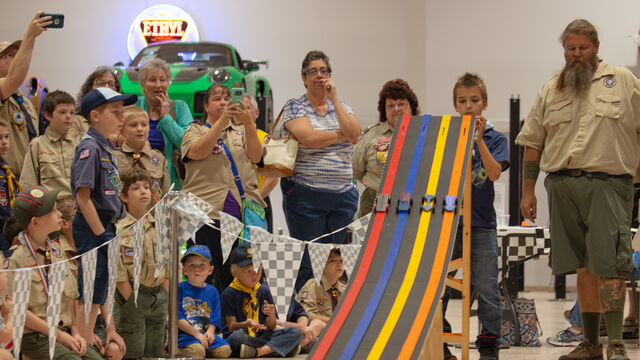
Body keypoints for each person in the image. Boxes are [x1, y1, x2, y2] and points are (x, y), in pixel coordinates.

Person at [516, 19, 639, 360]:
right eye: (570, 48)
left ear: (596, 47)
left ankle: (615, 344)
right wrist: (528, 191)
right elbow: (532, 143)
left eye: (582, 47)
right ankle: (590, 344)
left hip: (608, 186)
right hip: (562, 186)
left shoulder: (624, 82)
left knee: (611, 266)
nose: (576, 54)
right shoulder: (553, 89)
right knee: (583, 267)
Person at [280, 50, 361, 292]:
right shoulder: (295, 106)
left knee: (333, 260)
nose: (319, 75)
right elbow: (310, 138)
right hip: (306, 194)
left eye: (323, 70)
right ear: (303, 77)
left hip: (342, 196)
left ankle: (329, 313)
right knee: (308, 260)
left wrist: (334, 100)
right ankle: (306, 316)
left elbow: (355, 133)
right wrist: (340, 135)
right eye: (313, 71)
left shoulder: (342, 106)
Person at [441, 73, 509, 360]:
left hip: (481, 223)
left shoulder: (495, 138)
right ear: (455, 105)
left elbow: (493, 173)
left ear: (485, 103)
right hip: (447, 222)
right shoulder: (446, 135)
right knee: (440, 284)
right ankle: (440, 338)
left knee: (487, 286)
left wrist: (479, 141)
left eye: (474, 100)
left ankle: (488, 341)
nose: (469, 106)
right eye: (462, 101)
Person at [181, 84, 265, 292]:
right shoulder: (194, 130)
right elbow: (197, 152)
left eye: (228, 98)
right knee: (201, 274)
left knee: (236, 276)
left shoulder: (242, 132)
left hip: (239, 217)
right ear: (206, 106)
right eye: (217, 98)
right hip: (204, 215)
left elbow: (257, 157)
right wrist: (220, 123)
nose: (224, 102)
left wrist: (248, 124)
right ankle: (201, 322)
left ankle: (233, 323)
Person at [70, 87, 137, 343]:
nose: (121, 117)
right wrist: (101, 236)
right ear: (95, 116)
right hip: (91, 225)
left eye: (122, 112)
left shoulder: (105, 148)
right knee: (89, 288)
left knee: (99, 290)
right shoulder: (89, 148)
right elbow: (83, 198)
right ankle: (83, 343)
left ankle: (86, 340)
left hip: (105, 225)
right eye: (115, 112)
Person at [8, 185, 101, 359]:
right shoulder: (18, 259)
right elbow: (19, 312)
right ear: (35, 222)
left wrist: (75, 332)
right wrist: (61, 336)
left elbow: (69, 299)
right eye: (53, 211)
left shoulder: (57, 252)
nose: (59, 214)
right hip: (35, 336)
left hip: (63, 330)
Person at [55, 195, 125, 360]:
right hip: (70, 325)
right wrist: (81, 332)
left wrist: (111, 329)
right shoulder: (58, 255)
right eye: (81, 215)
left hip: (96, 321)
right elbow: (70, 298)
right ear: (64, 223)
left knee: (116, 349)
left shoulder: (96, 247)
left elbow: (102, 293)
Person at [115, 167, 169, 358]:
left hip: (158, 297)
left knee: (156, 352)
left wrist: (165, 294)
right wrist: (131, 299)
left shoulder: (159, 226)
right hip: (133, 296)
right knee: (134, 351)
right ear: (124, 197)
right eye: (136, 188)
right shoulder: (119, 230)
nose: (143, 191)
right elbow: (118, 272)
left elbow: (168, 267)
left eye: (146, 187)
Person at [352, 79, 420, 217]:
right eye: (390, 105)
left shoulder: (424, 133)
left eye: (401, 104)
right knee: (372, 240)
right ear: (384, 109)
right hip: (374, 204)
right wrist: (378, 187)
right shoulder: (371, 135)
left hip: (414, 204)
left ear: (412, 107)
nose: (396, 109)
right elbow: (355, 171)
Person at [221, 244, 303, 358]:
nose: (255, 275)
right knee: (236, 337)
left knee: (295, 332)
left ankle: (257, 352)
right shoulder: (229, 293)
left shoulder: (262, 290)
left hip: (260, 336)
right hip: (241, 336)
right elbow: (231, 326)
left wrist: (271, 315)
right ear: (236, 272)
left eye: (258, 269)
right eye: (249, 271)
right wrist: (246, 324)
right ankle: (276, 349)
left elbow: (270, 326)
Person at [0, 12, 51, 177]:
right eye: (9, 55)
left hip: (26, 180)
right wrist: (30, 36)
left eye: (17, 54)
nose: (16, 59)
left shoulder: (25, 103)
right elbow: (14, 79)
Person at [135, 58, 192, 189]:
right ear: (142, 84)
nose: (158, 85)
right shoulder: (134, 106)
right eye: (152, 80)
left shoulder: (179, 108)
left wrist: (165, 117)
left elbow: (187, 143)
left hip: (171, 183)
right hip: (138, 182)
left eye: (162, 79)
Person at [20, 90, 79, 197]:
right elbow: (28, 185)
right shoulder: (37, 145)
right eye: (62, 112)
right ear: (47, 115)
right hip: (50, 209)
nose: (69, 116)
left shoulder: (78, 146)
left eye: (72, 112)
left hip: (76, 208)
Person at [178, 245, 231, 358]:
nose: (197, 268)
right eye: (192, 265)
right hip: (185, 335)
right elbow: (178, 319)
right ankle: (177, 349)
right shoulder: (179, 289)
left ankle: (203, 347)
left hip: (206, 335)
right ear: (184, 270)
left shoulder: (213, 291)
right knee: (197, 352)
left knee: (225, 350)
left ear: (210, 270)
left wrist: (210, 333)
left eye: (202, 264)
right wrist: (197, 335)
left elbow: (214, 320)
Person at [113, 106, 170, 207]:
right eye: (133, 125)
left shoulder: (159, 158)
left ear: (149, 128)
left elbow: (165, 194)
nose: (140, 129)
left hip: (153, 218)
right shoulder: (113, 158)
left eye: (144, 125)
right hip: (123, 220)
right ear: (122, 131)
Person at [70, 66, 122, 142]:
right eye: (101, 83)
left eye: (111, 84)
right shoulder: (76, 120)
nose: (107, 87)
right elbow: (73, 147)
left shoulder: (124, 116)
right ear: (89, 88)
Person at [0, 119, 19, 256]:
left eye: (6, 137)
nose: (4, 142)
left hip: (8, 226)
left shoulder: (4, 167)